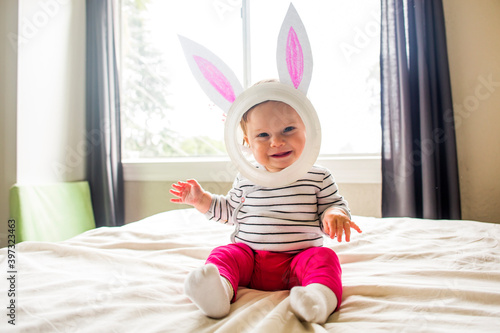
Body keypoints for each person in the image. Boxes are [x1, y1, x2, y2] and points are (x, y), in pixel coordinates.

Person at [170, 100, 362, 324]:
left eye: (288, 129)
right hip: (251, 262)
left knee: (325, 258)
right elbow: (231, 211)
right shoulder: (247, 177)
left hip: (298, 261)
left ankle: (318, 299)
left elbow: (333, 204)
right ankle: (219, 292)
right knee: (225, 253)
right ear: (247, 144)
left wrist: (334, 215)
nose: (277, 142)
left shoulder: (318, 176)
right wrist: (202, 200)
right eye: (262, 135)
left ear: (307, 130)